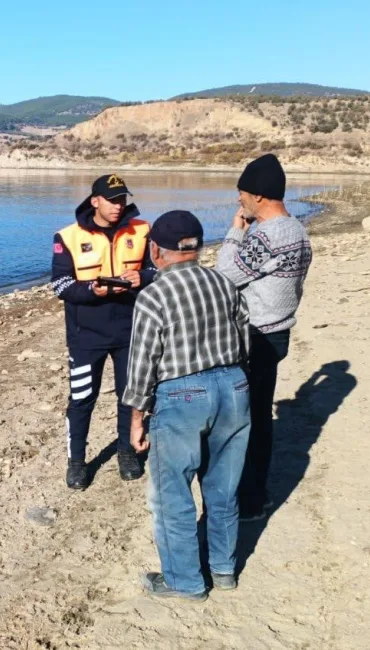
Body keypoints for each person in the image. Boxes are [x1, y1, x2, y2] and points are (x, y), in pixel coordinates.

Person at [123, 210, 252, 601]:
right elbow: (244, 336)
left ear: (156, 252)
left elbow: (143, 360)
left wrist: (136, 418)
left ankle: (185, 581)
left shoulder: (154, 294)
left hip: (182, 395)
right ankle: (224, 569)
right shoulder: (224, 283)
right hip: (234, 386)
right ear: (197, 246)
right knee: (223, 490)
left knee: (172, 494)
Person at [215, 153, 313, 522]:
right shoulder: (298, 231)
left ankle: (251, 500)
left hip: (256, 335)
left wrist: (235, 231)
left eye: (241, 194)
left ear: (257, 196)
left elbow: (225, 275)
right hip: (279, 330)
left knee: (249, 419)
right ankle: (256, 494)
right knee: (257, 414)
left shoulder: (267, 235)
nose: (238, 201)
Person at [51, 174, 156, 489]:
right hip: (86, 336)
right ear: (95, 200)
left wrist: (143, 278)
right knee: (82, 399)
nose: (118, 205)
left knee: (130, 396)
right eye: (112, 199)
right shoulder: (66, 236)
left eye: (122, 199)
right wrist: (90, 292)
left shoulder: (143, 230)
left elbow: (160, 268)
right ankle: (77, 462)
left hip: (131, 332)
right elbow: (60, 284)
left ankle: (126, 451)